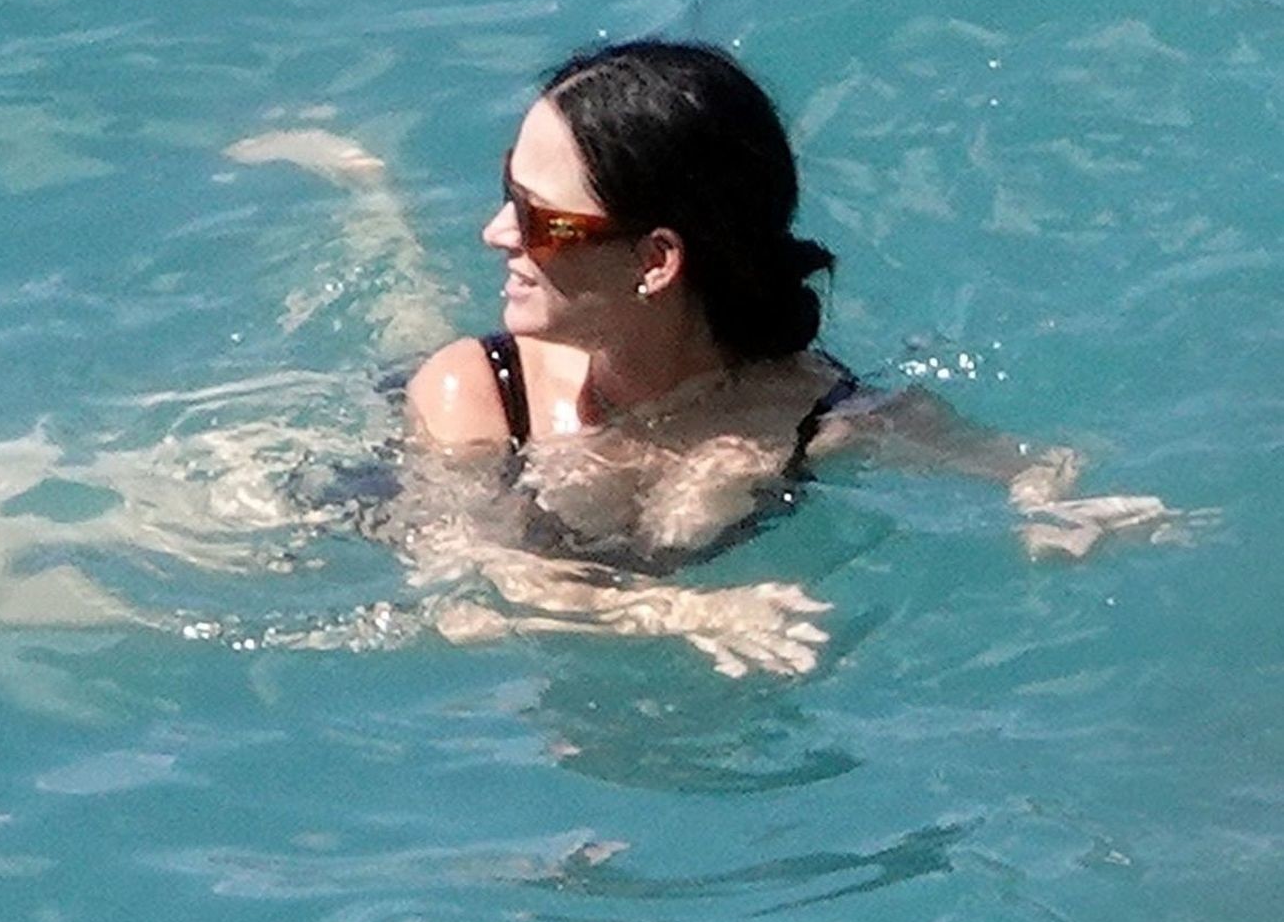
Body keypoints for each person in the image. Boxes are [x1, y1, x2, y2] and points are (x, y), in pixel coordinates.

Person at [388, 39, 1184, 673]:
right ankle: (371, 187)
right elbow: (466, 578)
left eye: (537, 218)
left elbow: (1026, 465)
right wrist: (684, 613)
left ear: (656, 261)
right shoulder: (477, 394)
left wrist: (1050, 505)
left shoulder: (819, 417)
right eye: (507, 191)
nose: (495, 232)